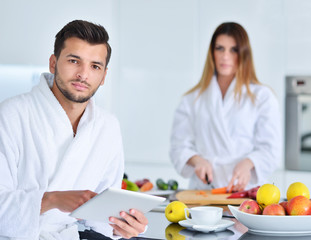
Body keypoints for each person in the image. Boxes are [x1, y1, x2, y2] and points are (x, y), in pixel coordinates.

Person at [0, 20, 148, 239]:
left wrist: (122, 226)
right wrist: (52, 199)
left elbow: (102, 216)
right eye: (73, 61)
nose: (83, 75)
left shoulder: (107, 126)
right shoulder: (11, 114)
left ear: (104, 76)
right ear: (53, 63)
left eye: (95, 66)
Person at [170, 22, 282, 192]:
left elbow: (271, 149)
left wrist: (248, 163)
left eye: (233, 50)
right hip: (203, 193)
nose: (225, 56)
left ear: (244, 54)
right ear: (211, 53)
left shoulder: (263, 97)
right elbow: (178, 146)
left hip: (245, 193)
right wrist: (197, 161)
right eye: (220, 48)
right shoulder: (192, 99)